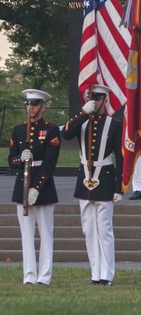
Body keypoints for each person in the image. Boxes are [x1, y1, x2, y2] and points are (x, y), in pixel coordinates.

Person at [62, 83, 123, 285]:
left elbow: (120, 157)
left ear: (105, 100)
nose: (94, 101)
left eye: (98, 98)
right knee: (88, 228)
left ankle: (107, 273)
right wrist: (82, 113)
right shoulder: (82, 121)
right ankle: (95, 272)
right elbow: (66, 134)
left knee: (104, 228)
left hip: (105, 177)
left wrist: (119, 186)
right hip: (84, 178)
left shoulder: (114, 124)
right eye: (91, 98)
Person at [7, 89, 61, 285]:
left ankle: (44, 277)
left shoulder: (52, 129)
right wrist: (20, 159)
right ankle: (29, 275)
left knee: (46, 234)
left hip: (43, 186)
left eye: (35, 104)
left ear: (43, 106)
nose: (30, 108)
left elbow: (50, 162)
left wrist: (37, 187)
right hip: (22, 184)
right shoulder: (18, 130)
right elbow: (10, 160)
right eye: (28, 104)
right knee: (26, 235)